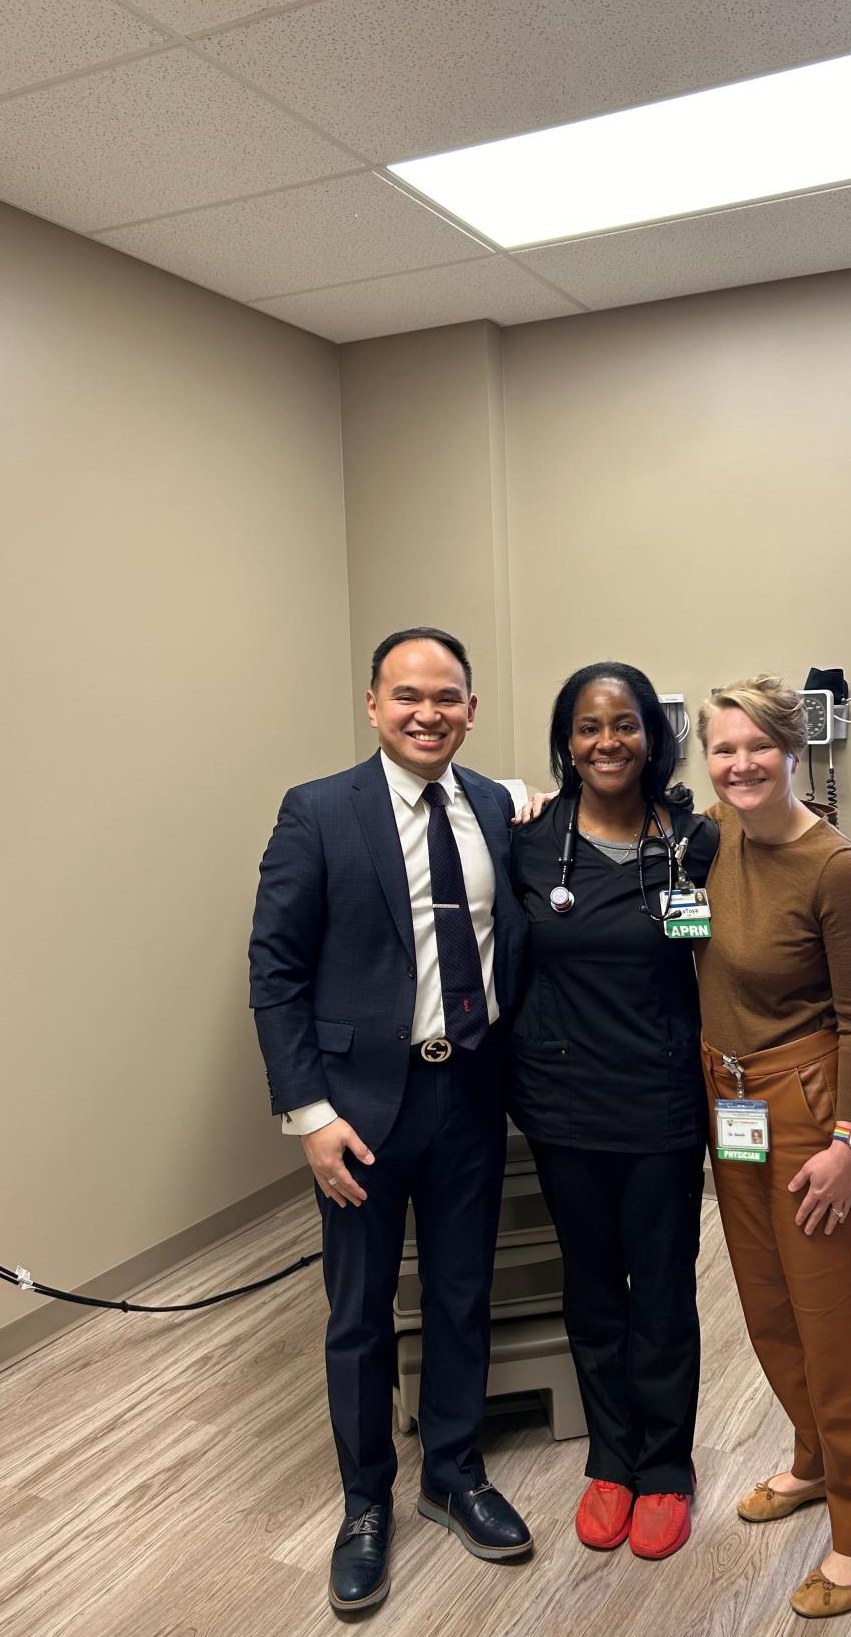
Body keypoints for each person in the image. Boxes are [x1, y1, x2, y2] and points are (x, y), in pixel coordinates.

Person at [248, 627, 532, 1617]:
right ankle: (364, 1505)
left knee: (460, 1296)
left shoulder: (497, 806)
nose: (428, 713)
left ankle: (452, 1471)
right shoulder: (320, 811)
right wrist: (310, 1114)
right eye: (408, 695)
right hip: (359, 1110)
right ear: (373, 703)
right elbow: (275, 969)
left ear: (470, 709)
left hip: (470, 1095)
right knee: (362, 1315)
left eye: (447, 697)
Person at [695, 673, 851, 1621]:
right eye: (722, 748)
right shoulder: (717, 835)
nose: (739, 764)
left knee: (841, 1322)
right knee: (770, 1299)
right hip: (729, 1098)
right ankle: (815, 1460)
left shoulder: (836, 872)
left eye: (756, 748)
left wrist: (849, 1144)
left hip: (811, 1106)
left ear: (792, 751)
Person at [508, 663, 718, 1561]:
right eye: (588, 727)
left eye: (624, 725)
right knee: (592, 1290)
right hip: (561, 1104)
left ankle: (666, 1467)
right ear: (566, 741)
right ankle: (610, 1459)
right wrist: (511, 793)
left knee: (664, 1290)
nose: (606, 742)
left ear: (650, 735)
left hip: (662, 1101)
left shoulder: (696, 842)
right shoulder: (526, 837)